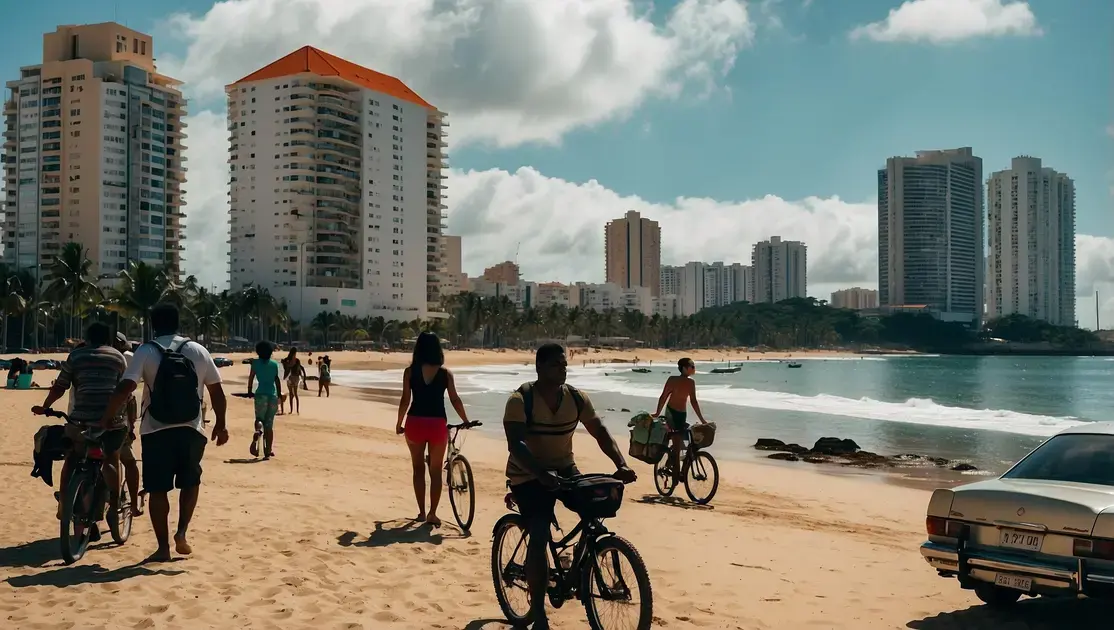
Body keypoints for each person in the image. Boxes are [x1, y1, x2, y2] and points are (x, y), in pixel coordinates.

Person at [503, 343, 636, 629]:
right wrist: (540, 474)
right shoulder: (520, 400)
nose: (562, 368)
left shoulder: (576, 398)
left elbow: (599, 431)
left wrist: (621, 463)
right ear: (539, 368)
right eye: (555, 364)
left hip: (564, 467)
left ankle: (577, 565)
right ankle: (538, 613)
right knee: (538, 533)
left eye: (564, 364)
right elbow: (516, 445)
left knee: (593, 511)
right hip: (527, 474)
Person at [99, 303, 228, 563]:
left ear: (153, 324)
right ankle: (181, 533)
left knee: (158, 489)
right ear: (178, 322)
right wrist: (221, 424)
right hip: (192, 428)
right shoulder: (198, 350)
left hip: (156, 429)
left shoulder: (146, 351)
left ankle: (163, 548)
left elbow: (126, 386)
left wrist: (107, 416)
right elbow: (216, 391)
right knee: (190, 482)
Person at [32, 322, 128, 534]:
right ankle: (114, 504)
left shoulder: (76, 356)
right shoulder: (118, 357)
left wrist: (45, 407)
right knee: (111, 459)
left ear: (88, 338)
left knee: (72, 459)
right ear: (108, 338)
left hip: (81, 421)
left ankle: (65, 502)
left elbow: (60, 386)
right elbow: (124, 390)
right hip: (109, 421)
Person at [396, 332, 470, 526]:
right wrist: (465, 420)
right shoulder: (445, 373)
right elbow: (455, 399)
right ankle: (432, 514)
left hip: (415, 423)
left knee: (418, 468)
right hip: (437, 425)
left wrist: (399, 423)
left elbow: (405, 400)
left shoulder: (410, 372)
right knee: (435, 471)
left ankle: (420, 512)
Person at [653, 357, 708, 480]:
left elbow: (693, 401)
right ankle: (676, 474)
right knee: (678, 445)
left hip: (682, 414)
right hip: (671, 413)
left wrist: (702, 419)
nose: (694, 369)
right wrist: (657, 413)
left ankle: (677, 466)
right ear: (684, 368)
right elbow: (664, 396)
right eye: (692, 366)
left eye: (694, 366)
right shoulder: (672, 380)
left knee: (688, 441)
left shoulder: (691, 382)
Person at [113, 332, 143, 516]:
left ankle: (66, 503)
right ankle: (132, 504)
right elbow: (128, 397)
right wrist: (131, 427)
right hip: (115, 422)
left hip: (79, 419)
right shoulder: (123, 359)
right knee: (128, 462)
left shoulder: (81, 355)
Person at [247, 340, 282, 459]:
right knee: (269, 424)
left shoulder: (255, 363)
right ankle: (268, 451)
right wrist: (279, 395)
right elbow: (276, 380)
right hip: (272, 395)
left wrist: (249, 390)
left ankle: (258, 430)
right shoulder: (274, 364)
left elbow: (251, 377)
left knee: (259, 419)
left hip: (260, 394)